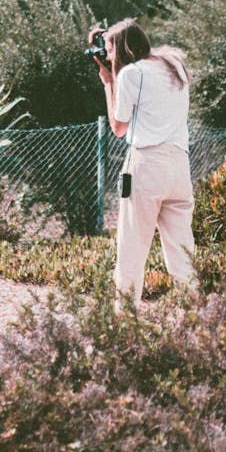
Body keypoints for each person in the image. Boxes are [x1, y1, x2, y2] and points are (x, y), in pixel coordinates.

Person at [90, 19, 197, 308]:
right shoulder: (175, 67)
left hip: (146, 164)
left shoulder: (130, 75)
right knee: (182, 249)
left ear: (123, 49)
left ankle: (125, 317)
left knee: (132, 247)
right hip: (179, 164)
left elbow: (118, 126)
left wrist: (108, 82)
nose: (108, 56)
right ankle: (195, 316)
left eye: (110, 50)